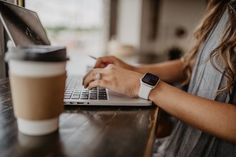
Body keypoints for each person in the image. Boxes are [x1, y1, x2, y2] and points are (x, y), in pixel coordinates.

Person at [83, 0, 236, 156]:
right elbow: (193, 65)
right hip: (179, 147)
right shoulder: (221, 6)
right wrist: (134, 70)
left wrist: (144, 86)